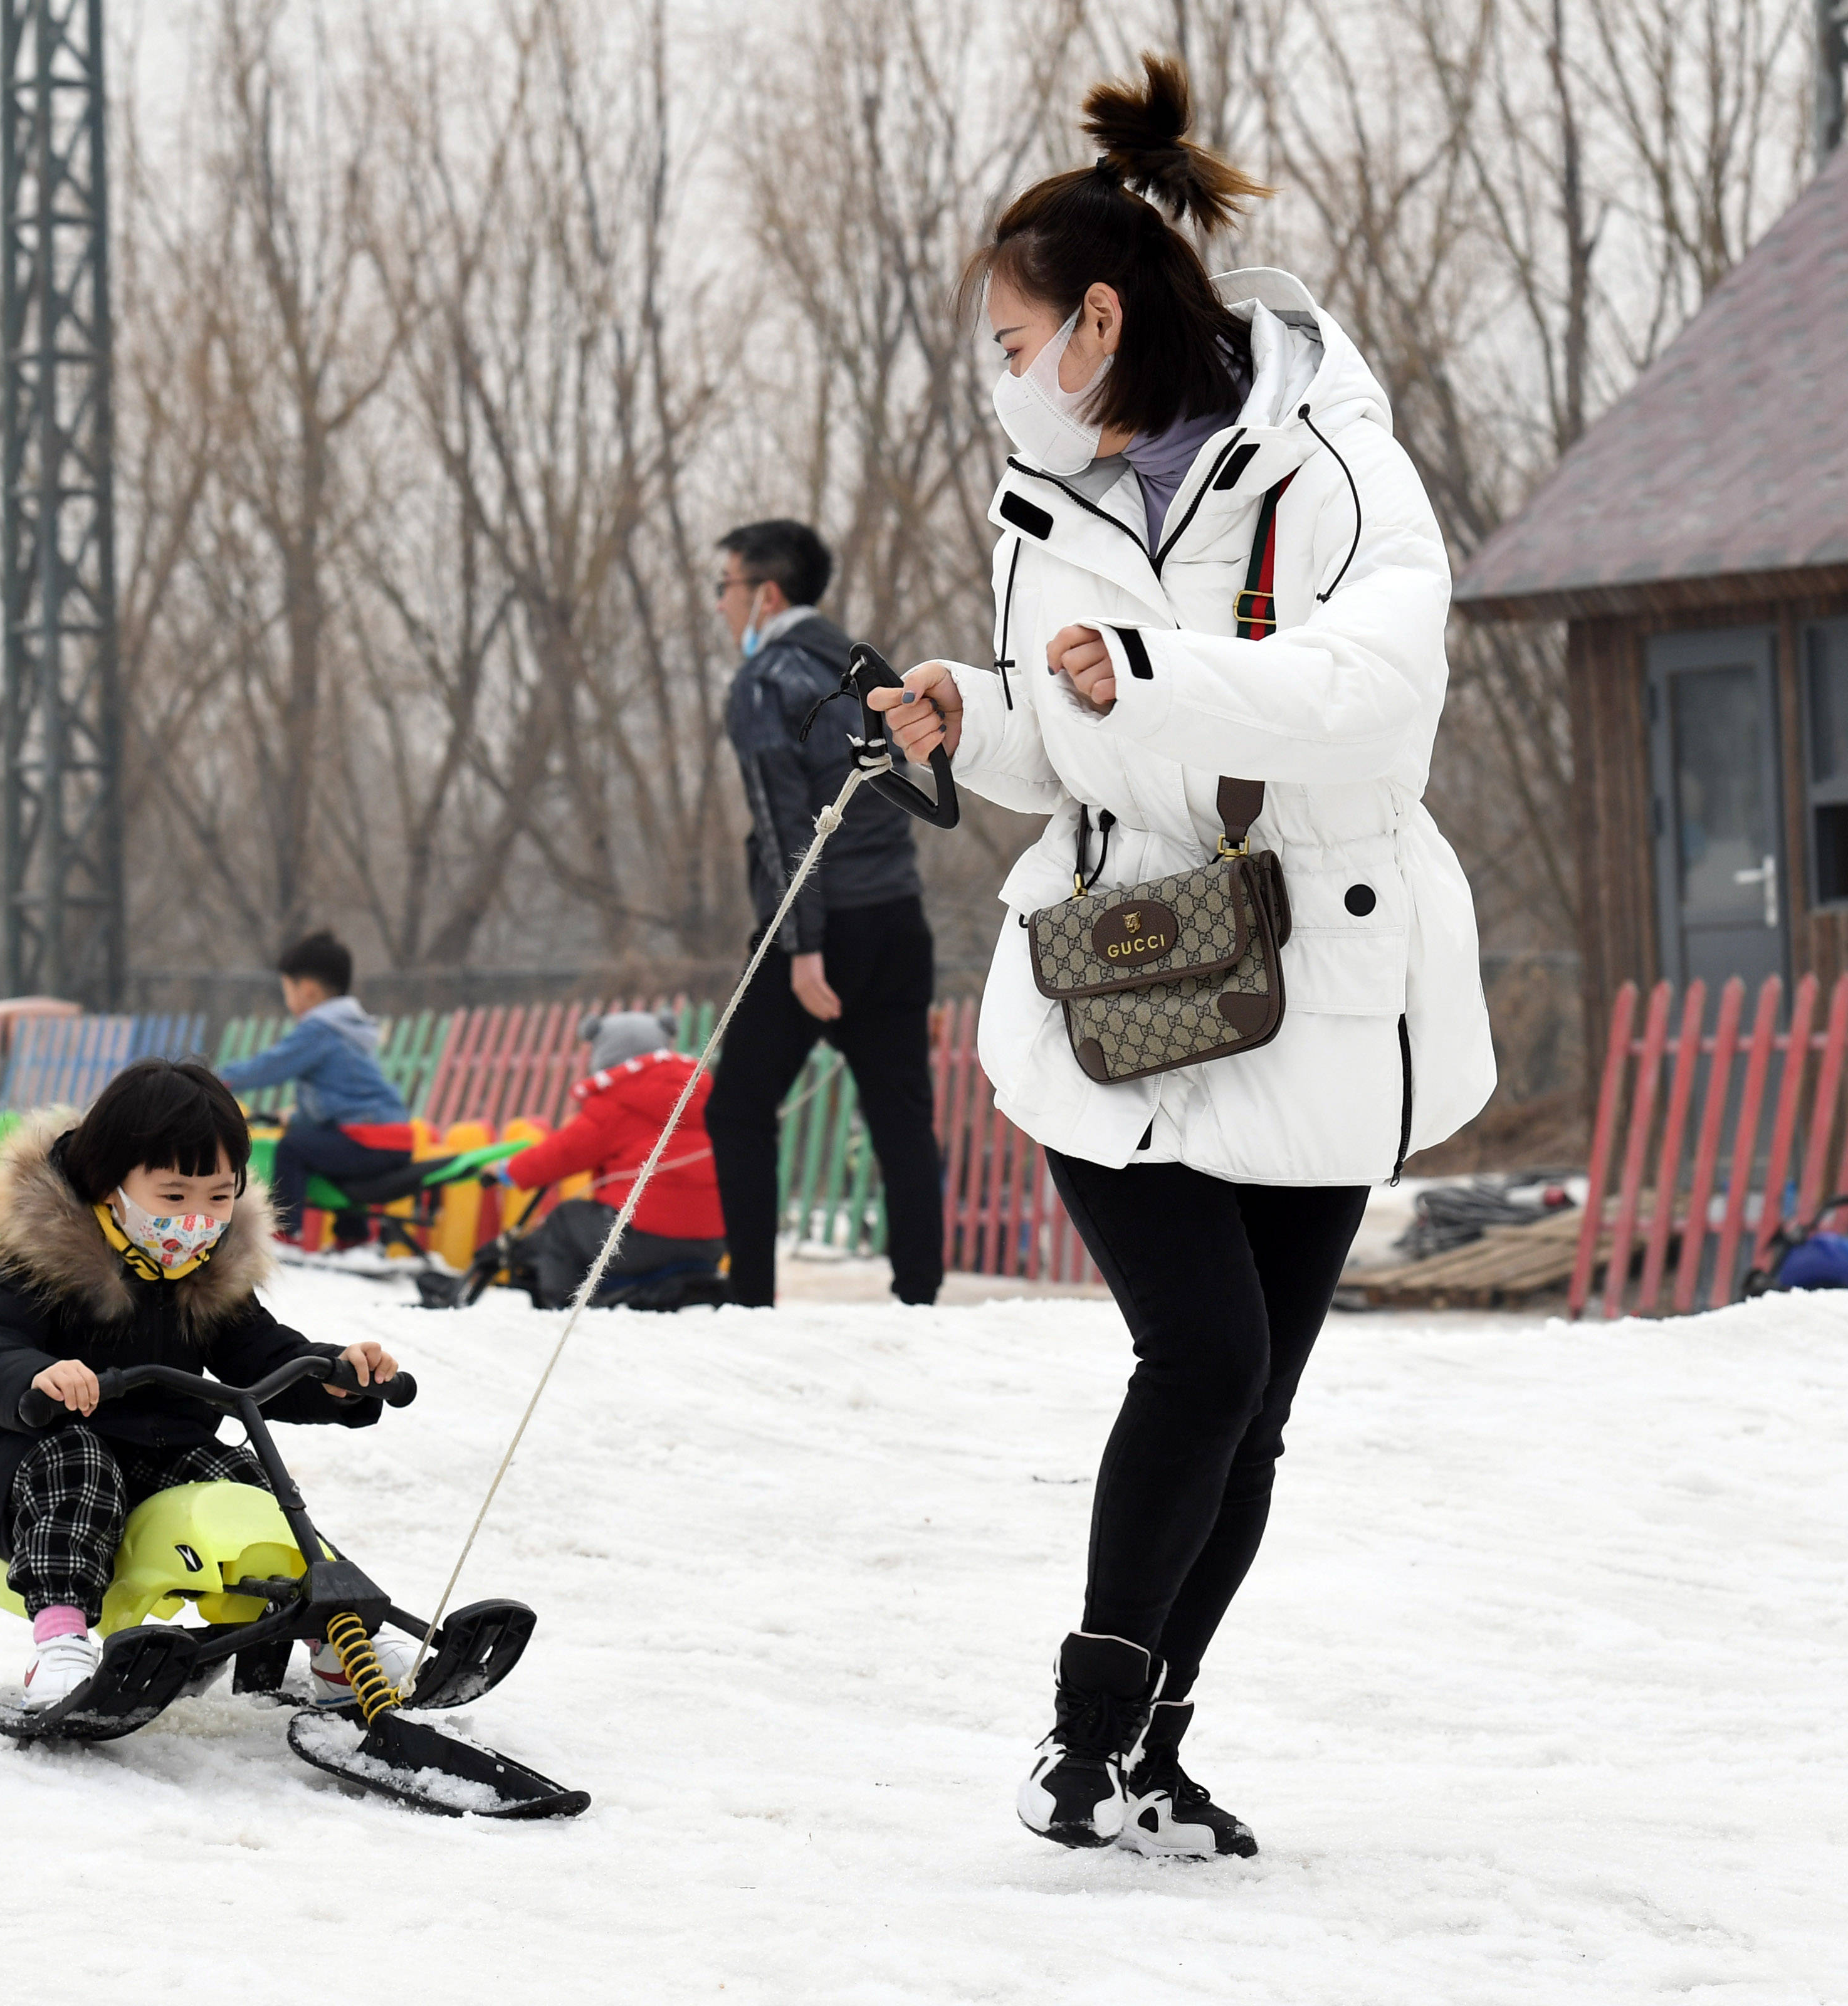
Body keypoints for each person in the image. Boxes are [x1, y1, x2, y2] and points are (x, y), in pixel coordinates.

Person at [873, 58, 1494, 1857]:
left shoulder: (1341, 470)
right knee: (1204, 1360)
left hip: (1317, 971)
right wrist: (964, 717)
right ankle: (1083, 1742)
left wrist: (1148, 678)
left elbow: (1381, 687)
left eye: (1013, 342)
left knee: (1258, 1406)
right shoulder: (1043, 497)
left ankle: (1151, 1746)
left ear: (1103, 319)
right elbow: (1060, 741)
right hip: (1122, 975)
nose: (1001, 379)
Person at [0, 1059, 402, 1711]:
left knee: (248, 1478)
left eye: (217, 1197)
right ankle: (61, 1644)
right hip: (17, 1443)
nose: (198, 1220)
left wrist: (335, 1377)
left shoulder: (203, 1270)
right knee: (80, 1462)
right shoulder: (46, 1259)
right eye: (174, 1198)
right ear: (108, 1185)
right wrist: (39, 1375)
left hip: (155, 1443)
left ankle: (338, 1639)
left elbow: (260, 1355)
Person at [703, 518, 946, 1309]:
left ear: (765, 592)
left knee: (738, 1109)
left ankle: (751, 1301)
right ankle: (920, 1297)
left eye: (726, 588)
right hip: (897, 918)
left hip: (818, 926)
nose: (721, 606)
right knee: (901, 1113)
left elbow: (784, 828)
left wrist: (802, 949)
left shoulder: (765, 682)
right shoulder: (862, 667)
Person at [491, 1012, 725, 1307]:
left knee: (565, 1221)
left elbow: (563, 1153)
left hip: (643, 1238)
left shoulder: (620, 1097)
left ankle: (563, 1310)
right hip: (712, 1240)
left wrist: (510, 1171)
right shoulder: (705, 1092)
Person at [214, 930, 414, 1238]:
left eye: (287, 990)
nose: (288, 1000)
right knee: (318, 1146)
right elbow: (343, 1099)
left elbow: (271, 1067)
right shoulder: (349, 1028)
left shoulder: (320, 1029)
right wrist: (295, 1117)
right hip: (391, 1138)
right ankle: (353, 1236)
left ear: (307, 990)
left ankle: (284, 1235)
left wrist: (215, 1080)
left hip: (370, 1138)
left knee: (293, 1150)